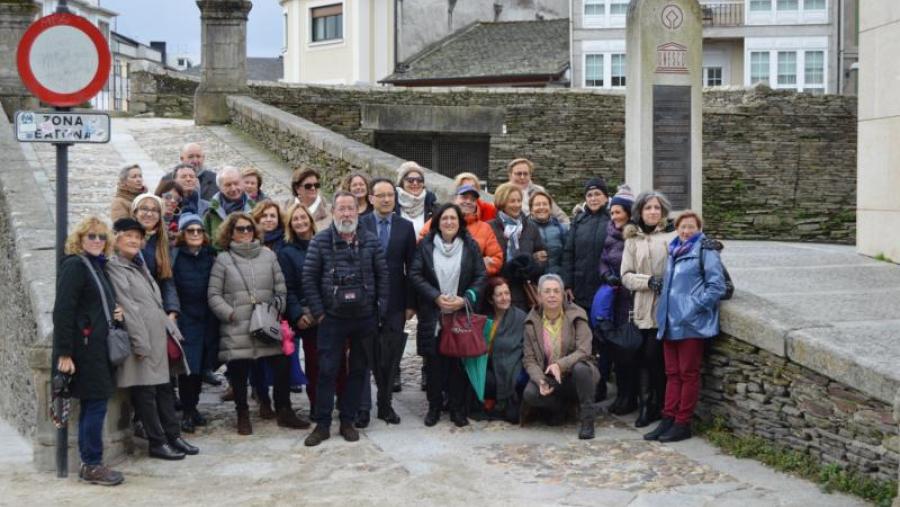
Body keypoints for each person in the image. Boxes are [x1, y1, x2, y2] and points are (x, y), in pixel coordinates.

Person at [207, 213, 310, 435]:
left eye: (249, 229)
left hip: (266, 323)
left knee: (282, 364)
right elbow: (214, 295)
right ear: (230, 232)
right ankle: (242, 413)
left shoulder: (268, 256)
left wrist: (276, 308)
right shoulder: (223, 260)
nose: (245, 233)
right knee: (239, 371)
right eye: (240, 229)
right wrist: (230, 314)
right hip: (237, 326)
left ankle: (284, 410)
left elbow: (281, 288)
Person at [302, 191, 389, 447]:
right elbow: (309, 279)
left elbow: (383, 277)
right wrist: (319, 313)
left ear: (357, 211)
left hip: (364, 318)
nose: (347, 214)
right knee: (327, 371)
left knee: (359, 371)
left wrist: (379, 310)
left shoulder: (370, 242)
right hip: (332, 318)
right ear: (333, 212)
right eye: (341, 209)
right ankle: (322, 423)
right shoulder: (320, 241)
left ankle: (348, 420)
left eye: (351, 209)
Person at [106, 218, 197, 460]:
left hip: (157, 336)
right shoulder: (115, 267)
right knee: (146, 393)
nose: (135, 240)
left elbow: (154, 301)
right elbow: (128, 306)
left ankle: (173, 436)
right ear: (116, 238)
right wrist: (139, 343)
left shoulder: (138, 264)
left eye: (138, 237)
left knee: (165, 387)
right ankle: (157, 442)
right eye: (129, 236)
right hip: (142, 338)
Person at [52, 216, 124, 486]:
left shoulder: (96, 266)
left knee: (97, 404)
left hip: (97, 347)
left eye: (101, 237)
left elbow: (94, 307)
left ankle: (91, 462)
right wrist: (63, 353)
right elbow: (63, 310)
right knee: (94, 405)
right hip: (84, 350)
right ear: (80, 239)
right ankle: (91, 464)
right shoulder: (75, 265)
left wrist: (116, 313)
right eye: (91, 236)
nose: (97, 241)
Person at [644, 211, 727, 443]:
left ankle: (683, 422)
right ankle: (668, 418)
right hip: (671, 322)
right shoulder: (674, 250)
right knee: (672, 373)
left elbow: (716, 285)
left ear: (699, 229)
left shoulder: (705, 250)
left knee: (687, 373)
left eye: (691, 227)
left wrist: (694, 307)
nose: (686, 231)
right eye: (682, 227)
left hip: (691, 323)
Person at [410, 203, 487, 428]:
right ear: (437, 222)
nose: (449, 222)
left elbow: (481, 276)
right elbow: (415, 274)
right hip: (434, 314)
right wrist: (435, 296)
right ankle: (434, 407)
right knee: (433, 365)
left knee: (457, 365)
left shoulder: (470, 246)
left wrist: (465, 299)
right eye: (444, 219)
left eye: (453, 218)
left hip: (460, 313)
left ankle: (457, 408)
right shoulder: (425, 246)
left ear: (460, 222)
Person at [357, 177, 417, 427]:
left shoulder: (405, 227)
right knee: (362, 355)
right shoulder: (361, 224)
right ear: (370, 198)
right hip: (364, 301)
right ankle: (362, 408)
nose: (385, 199)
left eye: (390, 195)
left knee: (389, 356)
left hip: (395, 299)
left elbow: (412, 267)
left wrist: (410, 303)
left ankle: (385, 405)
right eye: (380, 195)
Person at [277, 203, 345, 416]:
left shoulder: (326, 243)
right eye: (295, 219)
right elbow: (287, 287)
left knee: (341, 361)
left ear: (310, 219)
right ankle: (317, 405)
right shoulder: (286, 252)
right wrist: (297, 314)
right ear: (290, 224)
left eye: (303, 217)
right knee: (315, 363)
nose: (300, 222)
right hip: (308, 316)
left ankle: (343, 402)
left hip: (332, 312)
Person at [621, 190, 675, 428]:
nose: (653, 212)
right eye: (648, 208)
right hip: (642, 307)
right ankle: (646, 405)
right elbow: (626, 275)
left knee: (656, 357)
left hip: (667, 306)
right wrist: (648, 281)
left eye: (657, 208)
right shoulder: (632, 240)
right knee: (643, 357)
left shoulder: (672, 236)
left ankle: (661, 404)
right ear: (640, 212)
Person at [522, 274, 598, 440]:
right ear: (539, 295)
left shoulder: (577, 314)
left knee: (581, 368)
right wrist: (540, 379)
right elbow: (529, 359)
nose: (552, 295)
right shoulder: (531, 321)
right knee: (530, 393)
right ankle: (560, 408)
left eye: (556, 291)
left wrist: (560, 364)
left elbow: (584, 350)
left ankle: (587, 420)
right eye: (547, 291)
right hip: (552, 378)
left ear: (563, 294)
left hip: (575, 376)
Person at [561, 178, 611, 400]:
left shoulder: (612, 220)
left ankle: (601, 385)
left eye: (597, 194)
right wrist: (568, 283)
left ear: (606, 197)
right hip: (579, 290)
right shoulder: (578, 222)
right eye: (589, 195)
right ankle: (584, 385)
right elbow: (568, 253)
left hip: (603, 291)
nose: (593, 199)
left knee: (603, 339)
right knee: (582, 339)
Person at [169, 213, 219, 433]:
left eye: (199, 231)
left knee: (201, 367)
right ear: (183, 233)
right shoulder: (176, 256)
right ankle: (187, 409)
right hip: (186, 317)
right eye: (191, 231)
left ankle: (194, 406)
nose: (196, 234)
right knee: (188, 368)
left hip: (207, 317)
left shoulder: (210, 255)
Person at [596, 186, 637, 416]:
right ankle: (621, 395)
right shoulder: (610, 232)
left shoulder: (635, 234)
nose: (614, 217)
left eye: (618, 212)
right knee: (616, 348)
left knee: (629, 349)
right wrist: (605, 275)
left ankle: (630, 396)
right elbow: (602, 259)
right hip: (613, 296)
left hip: (630, 299)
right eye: (612, 213)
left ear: (629, 213)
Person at [419, 185, 503, 277]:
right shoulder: (439, 220)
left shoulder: (485, 228)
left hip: (472, 284)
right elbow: (420, 246)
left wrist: (473, 270)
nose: (468, 202)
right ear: (455, 199)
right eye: (464, 197)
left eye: (473, 200)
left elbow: (496, 259)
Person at [488, 182, 547, 310]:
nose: (516, 205)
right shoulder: (489, 227)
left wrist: (530, 266)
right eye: (512, 201)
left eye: (519, 201)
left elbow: (543, 258)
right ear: (502, 203)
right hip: (498, 292)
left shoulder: (531, 227)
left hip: (524, 293)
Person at [477, 277, 528, 424]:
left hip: (513, 368)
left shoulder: (520, 317)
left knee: (513, 416)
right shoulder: (485, 320)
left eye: (507, 293)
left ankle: (508, 401)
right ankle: (489, 400)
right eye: (499, 294)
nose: (504, 298)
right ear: (491, 299)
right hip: (489, 366)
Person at [131, 194, 179, 317]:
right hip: (131, 309)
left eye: (154, 210)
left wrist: (172, 310)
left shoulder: (162, 243)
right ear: (135, 213)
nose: (149, 213)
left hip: (155, 308)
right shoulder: (123, 240)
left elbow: (167, 279)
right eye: (144, 208)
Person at [203, 166, 256, 248]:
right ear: (220, 187)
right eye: (228, 185)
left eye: (236, 183)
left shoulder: (255, 209)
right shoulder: (211, 211)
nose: (233, 188)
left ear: (242, 183)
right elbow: (205, 240)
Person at [505, 158, 568, 224]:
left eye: (526, 174)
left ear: (530, 175)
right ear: (510, 175)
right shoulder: (503, 193)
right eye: (519, 174)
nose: (522, 177)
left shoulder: (539, 190)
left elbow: (558, 214)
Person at [528, 190, 568, 276]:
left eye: (545, 204)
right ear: (531, 209)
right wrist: (532, 257)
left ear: (550, 208)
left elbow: (569, 258)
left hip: (558, 280)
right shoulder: (524, 230)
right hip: (534, 281)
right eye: (537, 204)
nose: (541, 207)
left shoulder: (562, 229)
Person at [396, 162, 438, 235]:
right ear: (402, 183)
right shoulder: (392, 205)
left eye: (419, 179)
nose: (415, 183)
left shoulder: (433, 207)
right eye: (410, 180)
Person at [290, 167, 332, 232]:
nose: (313, 188)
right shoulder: (283, 210)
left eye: (316, 185)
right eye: (308, 186)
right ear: (297, 189)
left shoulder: (330, 211)